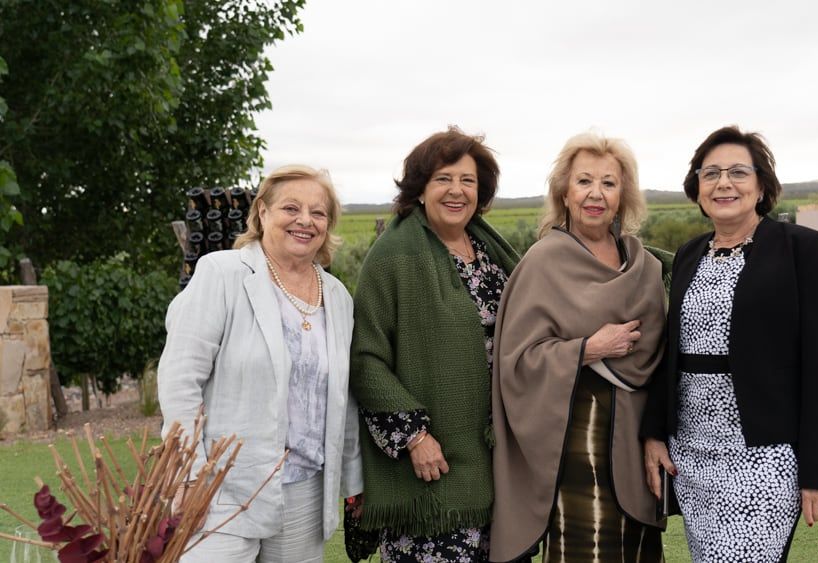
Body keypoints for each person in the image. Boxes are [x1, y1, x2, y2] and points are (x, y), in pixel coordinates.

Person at [640, 125, 818, 562]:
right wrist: (655, 433)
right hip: (692, 454)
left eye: (737, 172)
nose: (723, 183)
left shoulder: (801, 249)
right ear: (697, 188)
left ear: (762, 185)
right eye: (710, 173)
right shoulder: (691, 253)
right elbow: (670, 352)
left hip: (762, 458)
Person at [158, 165, 364, 562]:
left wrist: (352, 477)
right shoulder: (223, 274)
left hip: (305, 491)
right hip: (220, 486)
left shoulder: (338, 296)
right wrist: (187, 473)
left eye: (318, 213)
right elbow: (180, 378)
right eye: (291, 207)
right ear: (263, 213)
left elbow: (343, 395)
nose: (305, 220)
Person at [490, 133, 668, 562]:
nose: (596, 194)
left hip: (636, 437)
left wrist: (656, 433)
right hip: (574, 439)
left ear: (623, 195)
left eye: (609, 183)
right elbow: (516, 362)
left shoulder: (643, 265)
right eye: (584, 181)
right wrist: (588, 349)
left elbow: (659, 355)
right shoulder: (542, 262)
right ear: (564, 193)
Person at [349, 127, 519, 562]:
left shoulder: (491, 253)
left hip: (497, 463)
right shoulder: (392, 257)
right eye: (443, 178)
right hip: (430, 468)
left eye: (468, 181)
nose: (456, 190)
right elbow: (366, 359)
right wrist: (413, 435)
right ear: (420, 189)